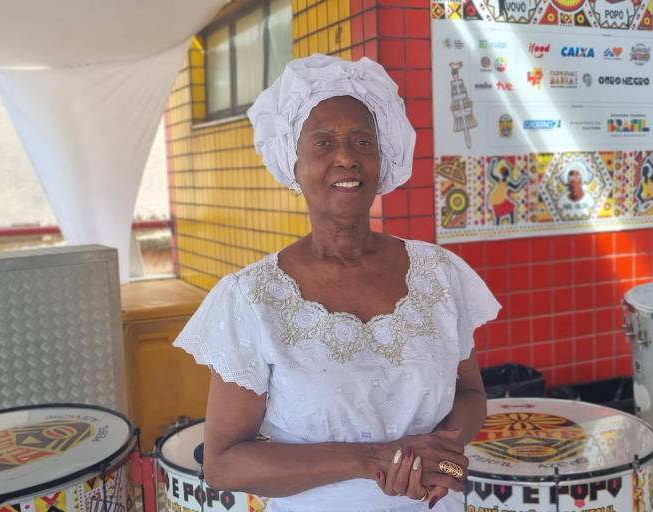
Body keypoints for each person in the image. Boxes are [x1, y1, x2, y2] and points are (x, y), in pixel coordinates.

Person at [173, 54, 501, 512]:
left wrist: (437, 455)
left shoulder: (438, 275)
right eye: (323, 143)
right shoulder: (253, 298)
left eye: (362, 142)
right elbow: (226, 463)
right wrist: (370, 459)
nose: (346, 156)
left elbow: (470, 395)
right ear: (294, 161)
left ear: (382, 157)